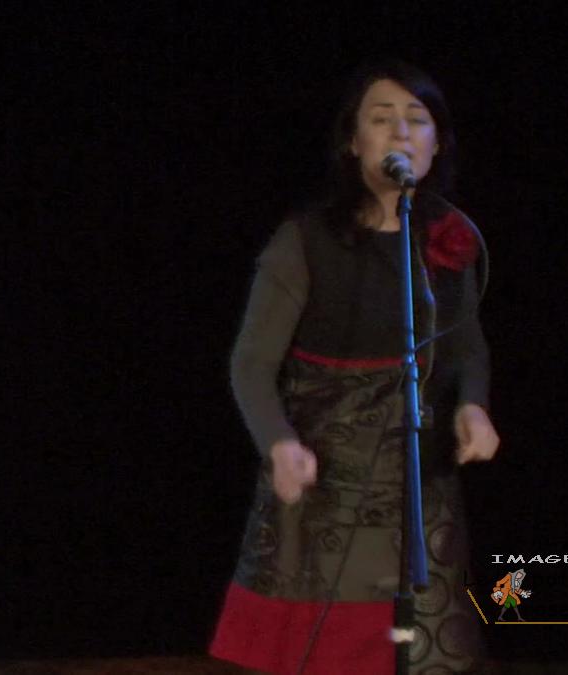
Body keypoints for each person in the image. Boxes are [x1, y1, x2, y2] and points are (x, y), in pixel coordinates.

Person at [209, 61, 500, 674]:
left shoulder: (452, 238)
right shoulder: (305, 239)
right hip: (329, 480)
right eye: (381, 119)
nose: (401, 133)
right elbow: (251, 362)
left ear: (437, 142)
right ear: (353, 141)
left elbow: (467, 346)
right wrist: (278, 443)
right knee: (330, 651)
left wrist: (473, 405)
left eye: (417, 120)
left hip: (418, 479)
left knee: (420, 649)